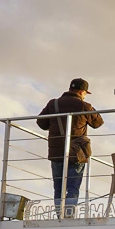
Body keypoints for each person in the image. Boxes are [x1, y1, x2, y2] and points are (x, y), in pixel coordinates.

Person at [37, 78, 104, 215]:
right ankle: (69, 215)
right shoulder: (84, 106)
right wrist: (91, 108)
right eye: (85, 93)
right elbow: (98, 123)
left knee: (58, 188)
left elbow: (41, 123)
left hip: (56, 153)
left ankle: (59, 215)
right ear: (81, 92)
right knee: (73, 188)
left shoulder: (53, 104)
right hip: (77, 153)